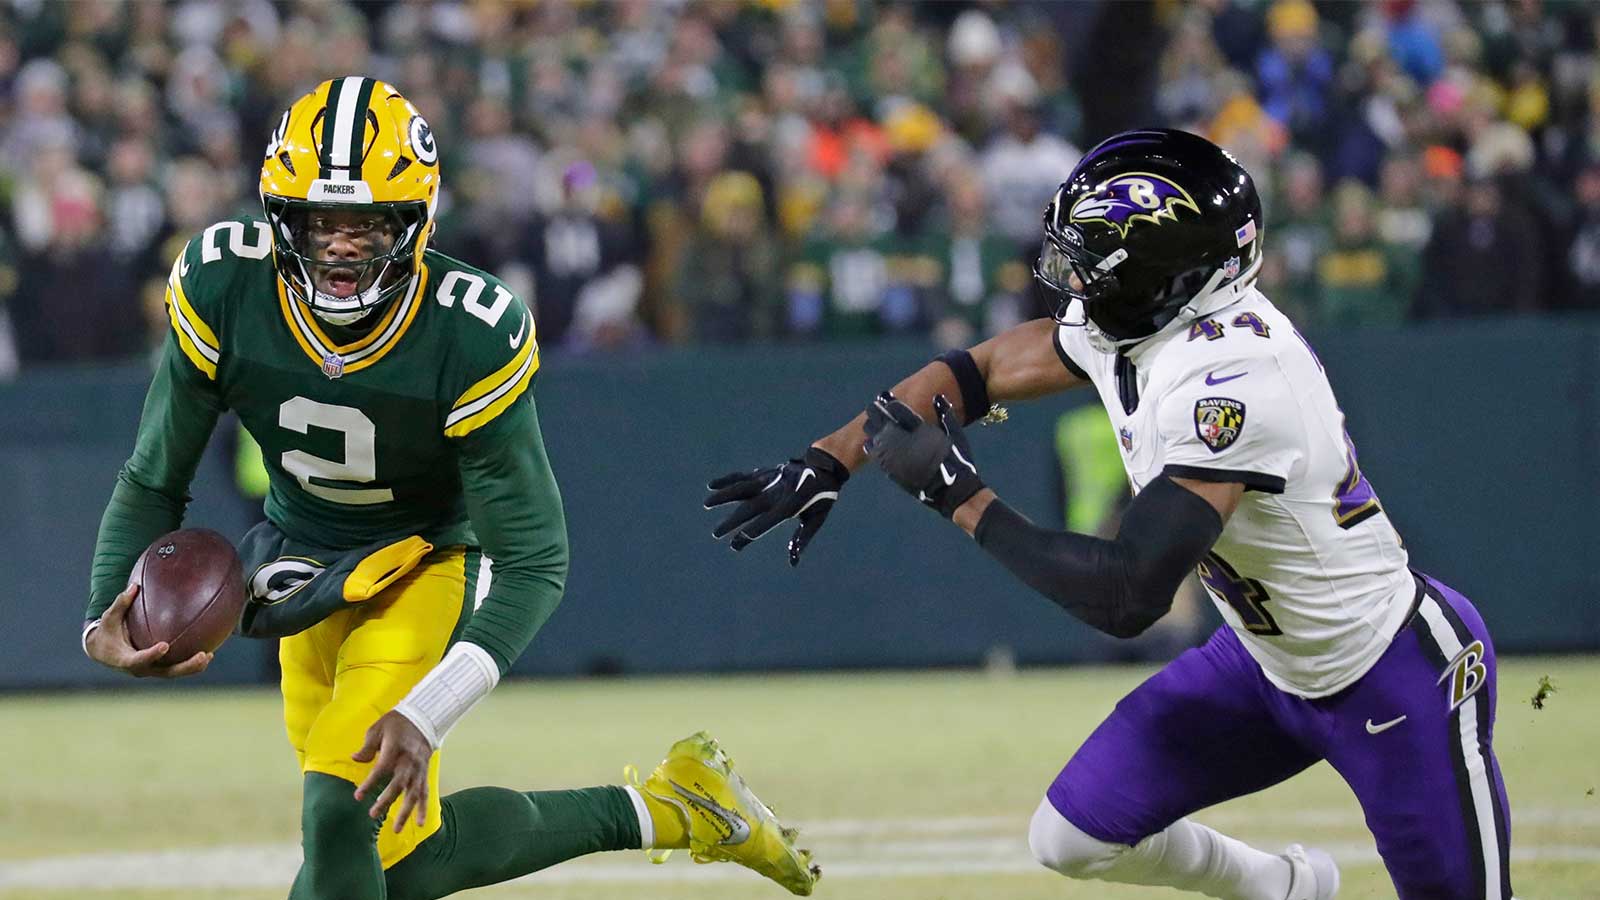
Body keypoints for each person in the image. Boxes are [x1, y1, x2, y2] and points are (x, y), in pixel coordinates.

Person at [706, 128, 1511, 900]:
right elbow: (978, 370)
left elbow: (1128, 595)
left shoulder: (1234, 378)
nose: (1072, 283)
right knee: (1070, 835)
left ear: (1165, 273)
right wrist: (831, 456)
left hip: (1390, 672)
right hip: (1268, 664)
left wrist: (958, 495)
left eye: (1093, 265)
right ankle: (1280, 887)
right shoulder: (1141, 323)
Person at [80, 77, 818, 900]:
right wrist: (105, 613)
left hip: (420, 567)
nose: (338, 248)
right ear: (279, 216)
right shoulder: (223, 284)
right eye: (320, 221)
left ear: (416, 222)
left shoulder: (466, 328)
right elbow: (154, 476)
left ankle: (675, 806)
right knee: (404, 862)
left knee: (339, 816)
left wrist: (432, 708)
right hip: (302, 577)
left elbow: (534, 559)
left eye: (366, 224)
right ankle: (676, 807)